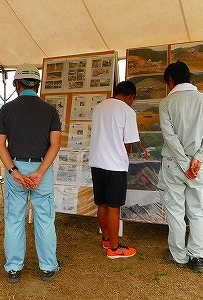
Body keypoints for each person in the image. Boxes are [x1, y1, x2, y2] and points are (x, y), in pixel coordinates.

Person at [0, 63, 62, 283]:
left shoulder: (6, 109)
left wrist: (13, 170)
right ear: (38, 84)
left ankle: (13, 267)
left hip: (16, 168)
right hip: (41, 168)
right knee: (45, 218)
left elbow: (0, 144)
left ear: (16, 84)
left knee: (14, 219)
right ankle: (48, 266)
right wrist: (41, 172)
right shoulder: (50, 110)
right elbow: (55, 144)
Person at [158, 61, 203, 273]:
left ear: (170, 80)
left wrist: (184, 164)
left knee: (175, 211)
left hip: (174, 164)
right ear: (189, 77)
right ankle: (199, 256)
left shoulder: (167, 103)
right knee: (196, 211)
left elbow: (170, 138)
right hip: (196, 166)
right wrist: (198, 159)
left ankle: (179, 255)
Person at [89, 80, 140, 259]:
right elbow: (128, 144)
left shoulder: (99, 107)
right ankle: (115, 248)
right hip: (115, 165)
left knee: (101, 204)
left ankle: (106, 238)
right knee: (114, 207)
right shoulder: (127, 111)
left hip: (96, 162)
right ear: (131, 96)